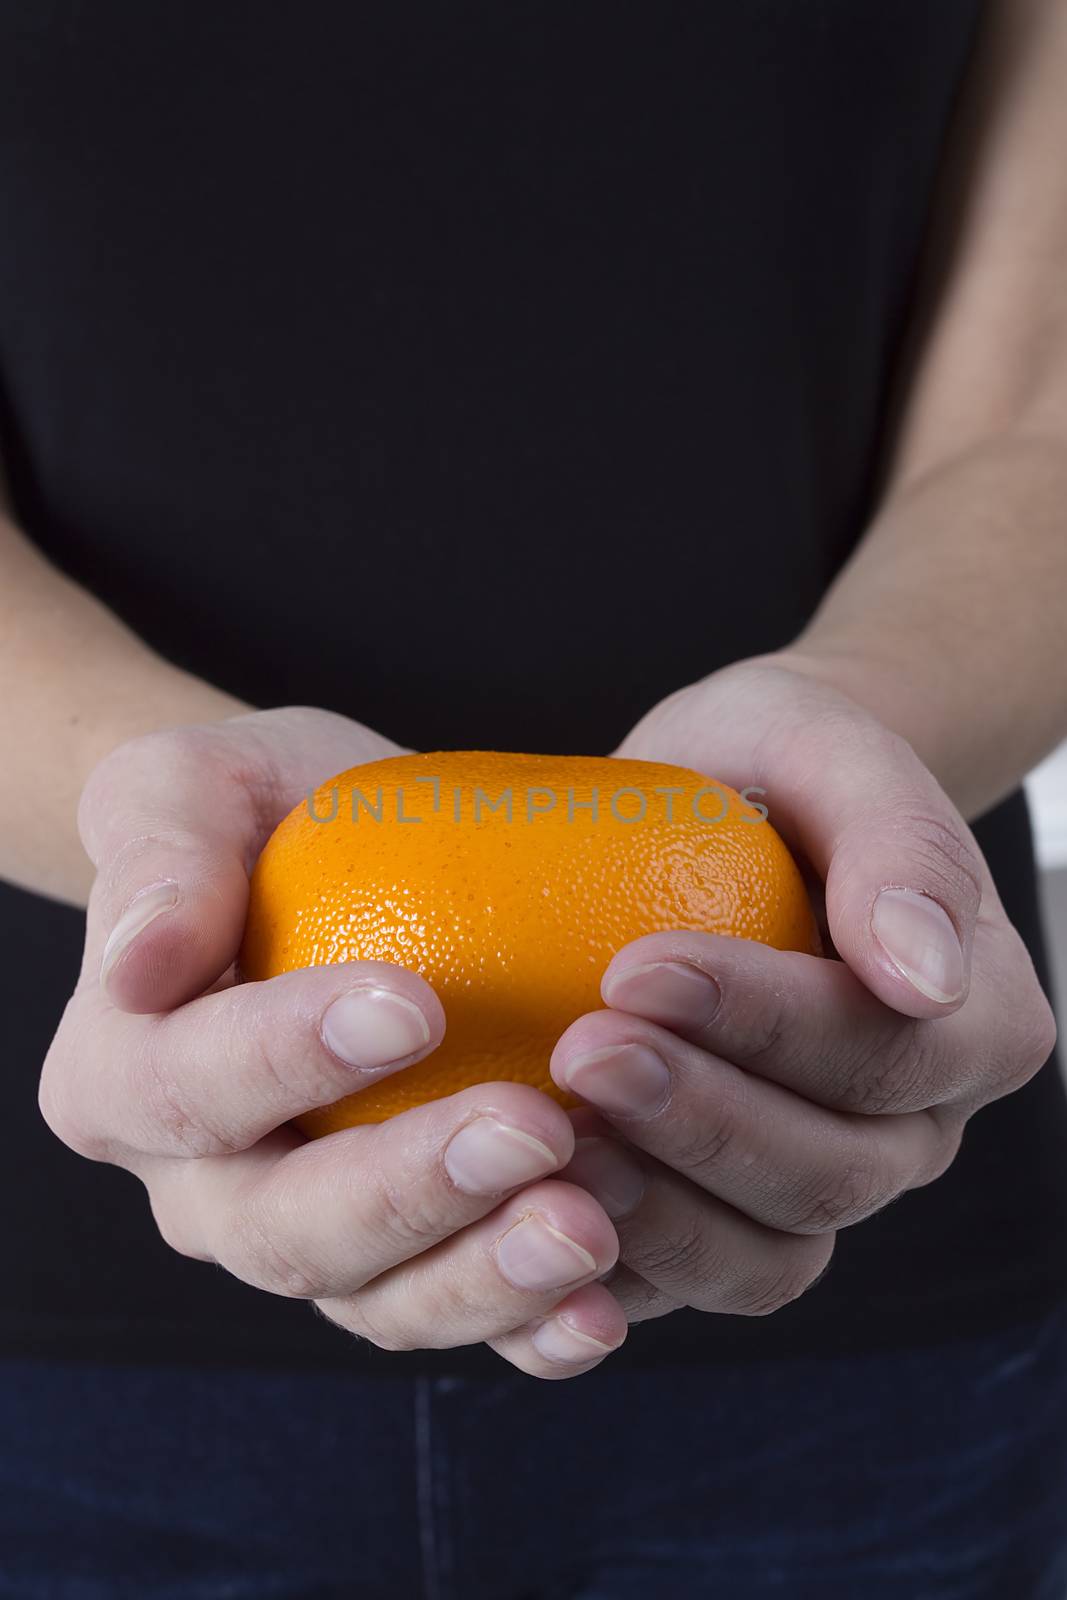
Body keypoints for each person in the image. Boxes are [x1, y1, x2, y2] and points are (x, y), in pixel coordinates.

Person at [3, 1, 1067, 1594]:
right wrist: (163, 830)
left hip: (852, 1241)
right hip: (58, 1301)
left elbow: (1037, 419)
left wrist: (860, 746)